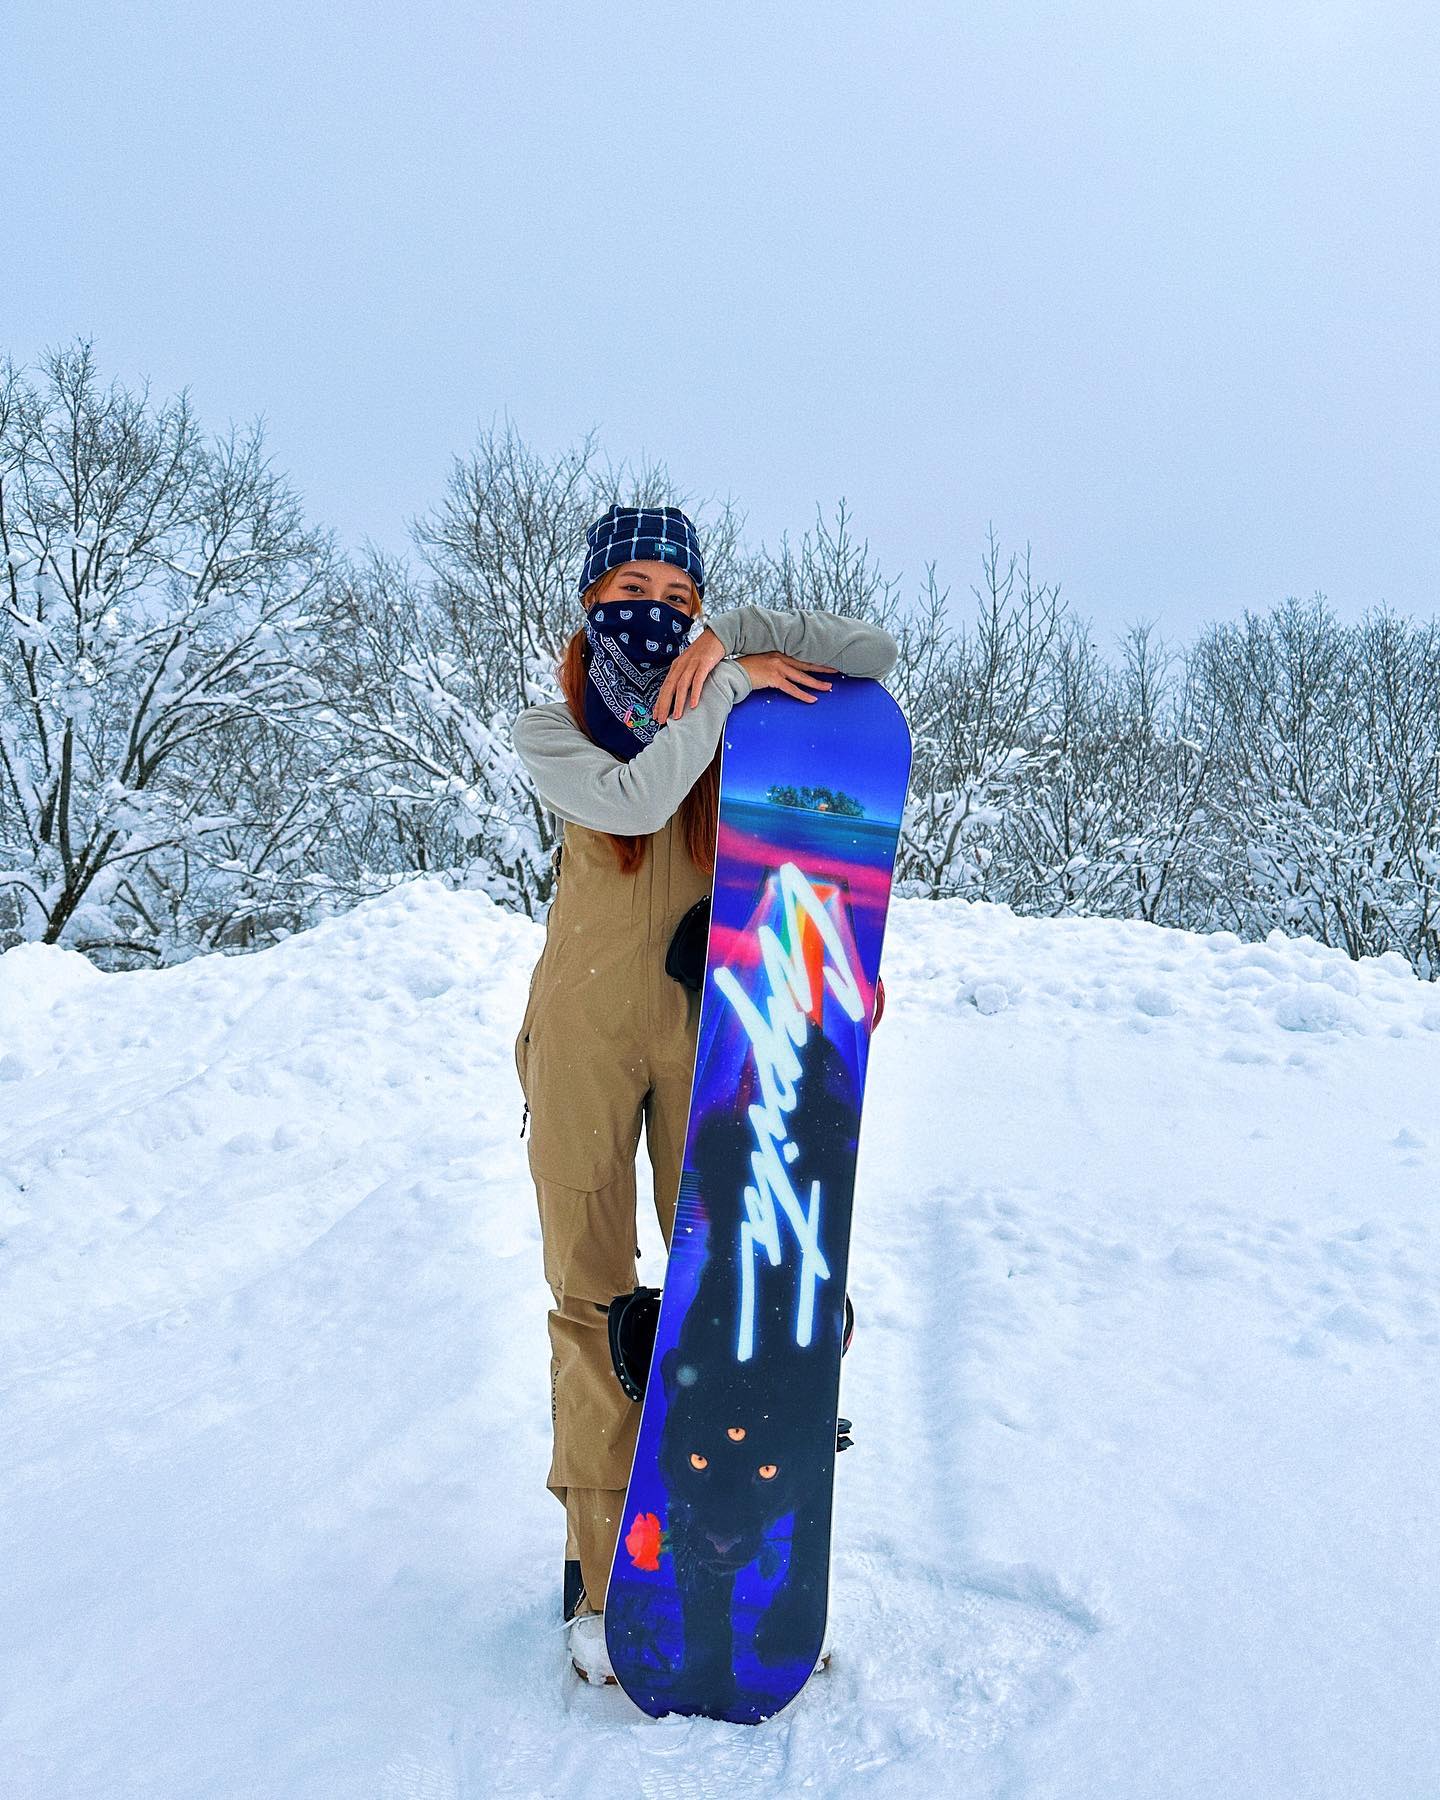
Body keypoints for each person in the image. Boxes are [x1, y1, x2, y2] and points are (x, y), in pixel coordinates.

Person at [510, 503, 900, 1684]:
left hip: (710, 1034)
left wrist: (729, 638)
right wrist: (722, 686)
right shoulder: (550, 724)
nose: (656, 610)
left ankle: (738, 1563)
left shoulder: (722, 693)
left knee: (731, 1295)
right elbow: (632, 803)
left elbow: (875, 655)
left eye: (678, 595)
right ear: (589, 601)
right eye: (631, 587)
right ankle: (597, 1570)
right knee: (591, 1294)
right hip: (581, 1031)